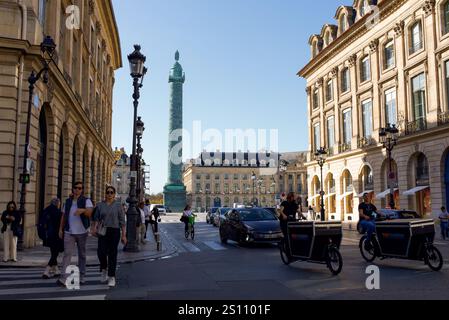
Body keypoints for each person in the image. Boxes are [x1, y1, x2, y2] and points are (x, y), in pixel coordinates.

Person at [57, 181, 94, 287]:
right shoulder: (68, 201)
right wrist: (60, 229)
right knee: (67, 254)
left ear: (82, 190)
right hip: (69, 232)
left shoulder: (86, 200)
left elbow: (90, 213)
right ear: (73, 189)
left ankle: (82, 276)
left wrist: (82, 210)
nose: (77, 190)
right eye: (76, 188)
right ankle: (63, 278)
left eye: (80, 188)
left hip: (82, 232)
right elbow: (64, 216)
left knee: (82, 255)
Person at [91, 186, 127, 287]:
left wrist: (124, 235)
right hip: (103, 231)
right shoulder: (100, 205)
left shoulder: (118, 206)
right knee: (101, 252)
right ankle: (104, 269)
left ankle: (111, 276)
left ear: (114, 194)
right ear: (105, 193)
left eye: (111, 192)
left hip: (114, 231)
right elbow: (96, 218)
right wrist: (94, 229)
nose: (109, 194)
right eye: (108, 192)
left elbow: (122, 222)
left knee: (112, 253)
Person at [38, 198, 64, 279]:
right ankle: (46, 271)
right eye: (59, 204)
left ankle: (56, 270)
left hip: (47, 235)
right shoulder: (57, 212)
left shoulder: (46, 210)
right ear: (57, 204)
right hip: (55, 236)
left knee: (53, 252)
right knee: (55, 254)